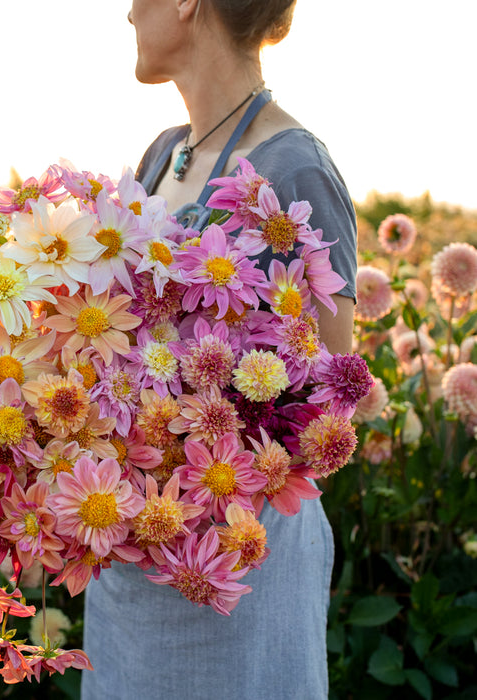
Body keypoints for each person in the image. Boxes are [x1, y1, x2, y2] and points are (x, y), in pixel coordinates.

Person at [81, 1, 357, 697]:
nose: (126, 11)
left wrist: (205, 456)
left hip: (235, 568)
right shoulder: (162, 151)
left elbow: (332, 406)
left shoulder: (294, 171)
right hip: (136, 561)